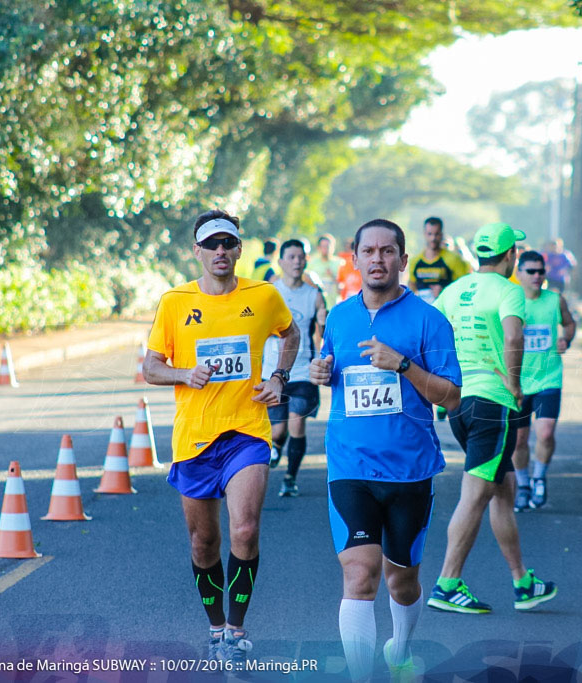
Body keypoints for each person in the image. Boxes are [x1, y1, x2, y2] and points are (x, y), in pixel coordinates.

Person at [143, 210, 300, 664]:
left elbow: (289, 336)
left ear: (239, 249)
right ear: (197, 252)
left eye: (228, 243)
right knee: (203, 543)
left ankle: (236, 629)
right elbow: (150, 367)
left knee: (246, 530)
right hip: (194, 438)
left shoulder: (264, 295)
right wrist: (183, 374)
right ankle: (215, 628)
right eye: (211, 244)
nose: (220, 252)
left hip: (247, 430)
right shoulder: (174, 302)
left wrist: (279, 376)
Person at [309, 219, 462, 681]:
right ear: (354, 258)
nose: (378, 260)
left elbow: (451, 398)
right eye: (369, 252)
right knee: (360, 574)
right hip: (350, 466)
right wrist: (321, 372)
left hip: (410, 470)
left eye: (388, 251)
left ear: (403, 259)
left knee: (403, 580)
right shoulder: (338, 317)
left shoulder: (428, 320)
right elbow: (334, 368)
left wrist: (404, 365)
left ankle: (400, 648)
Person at [429, 222, 558, 615]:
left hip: (460, 404)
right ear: (510, 256)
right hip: (492, 404)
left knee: (503, 488)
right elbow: (514, 338)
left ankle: (523, 583)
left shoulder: (453, 291)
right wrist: (515, 384)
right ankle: (447, 583)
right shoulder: (509, 291)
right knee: (475, 494)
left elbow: (433, 338)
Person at [510, 250, 576, 512]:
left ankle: (539, 477)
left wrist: (565, 339)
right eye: (531, 271)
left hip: (549, 378)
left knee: (545, 433)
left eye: (541, 271)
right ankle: (523, 484)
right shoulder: (512, 302)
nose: (537, 276)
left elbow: (570, 324)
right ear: (520, 273)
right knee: (518, 440)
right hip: (519, 381)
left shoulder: (554, 299)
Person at [261, 239, 327, 497]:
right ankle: (276, 447)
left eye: (301, 257)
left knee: (297, 424)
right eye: (292, 257)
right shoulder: (269, 293)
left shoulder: (314, 295)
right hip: (272, 370)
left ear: (306, 261)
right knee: (278, 430)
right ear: (281, 262)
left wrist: (323, 326)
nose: (297, 261)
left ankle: (290, 478)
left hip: (302, 370)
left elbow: (322, 331)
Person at [408, 217, 471, 304]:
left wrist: (444, 290)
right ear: (424, 234)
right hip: (423, 312)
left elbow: (465, 287)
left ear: (441, 234)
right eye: (430, 234)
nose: (433, 238)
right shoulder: (415, 261)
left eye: (436, 234)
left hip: (446, 310)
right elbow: (412, 286)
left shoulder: (454, 259)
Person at [310, 234, 345, 307]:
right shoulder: (312, 263)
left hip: (335, 305)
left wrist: (333, 276)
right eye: (323, 246)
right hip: (317, 306)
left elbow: (344, 285)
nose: (326, 249)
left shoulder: (340, 263)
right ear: (318, 248)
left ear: (333, 247)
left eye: (328, 246)